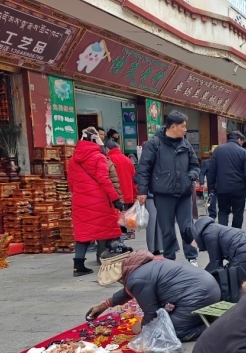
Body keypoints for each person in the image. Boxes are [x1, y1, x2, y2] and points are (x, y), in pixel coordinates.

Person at [88, 246, 220, 342]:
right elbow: (128, 291)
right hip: (209, 289)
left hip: (198, 296)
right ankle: (203, 319)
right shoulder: (140, 264)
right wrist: (104, 305)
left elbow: (152, 313)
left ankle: (214, 328)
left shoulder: (136, 278)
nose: (119, 281)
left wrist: (142, 326)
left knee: (165, 332)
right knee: (167, 323)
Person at [135, 111, 200, 265]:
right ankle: (170, 259)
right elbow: (143, 169)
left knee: (187, 227)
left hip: (184, 193)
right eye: (183, 126)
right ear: (173, 127)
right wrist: (142, 191)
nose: (185, 130)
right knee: (167, 229)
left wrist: (190, 176)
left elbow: (195, 165)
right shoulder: (154, 144)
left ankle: (192, 257)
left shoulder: (186, 144)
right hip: (163, 194)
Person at [69, 127, 122, 276]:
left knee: (83, 233)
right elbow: (104, 180)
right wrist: (115, 198)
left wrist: (79, 194)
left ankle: (78, 266)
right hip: (99, 200)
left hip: (80, 200)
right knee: (110, 229)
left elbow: (71, 183)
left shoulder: (73, 159)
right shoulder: (99, 157)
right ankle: (113, 261)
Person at [182, 217, 246, 277]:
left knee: (233, 280)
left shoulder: (208, 235)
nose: (196, 247)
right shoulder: (212, 227)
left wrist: (202, 277)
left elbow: (216, 263)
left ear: (193, 240)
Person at [207, 130, 246, 228]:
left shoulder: (218, 150)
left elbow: (212, 171)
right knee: (238, 213)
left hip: (222, 188)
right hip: (238, 188)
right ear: (239, 140)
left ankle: (223, 233)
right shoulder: (243, 152)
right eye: (242, 141)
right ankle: (235, 233)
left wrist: (212, 187)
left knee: (223, 211)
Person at [105, 136, 137, 210]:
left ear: (107, 149)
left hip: (115, 198)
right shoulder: (128, 160)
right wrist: (135, 196)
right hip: (128, 196)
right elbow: (134, 180)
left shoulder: (107, 160)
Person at [199, 149, 217, 221]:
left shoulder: (222, 162)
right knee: (212, 201)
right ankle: (212, 216)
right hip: (212, 185)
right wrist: (202, 183)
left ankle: (223, 215)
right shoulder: (207, 163)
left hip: (222, 185)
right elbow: (202, 173)